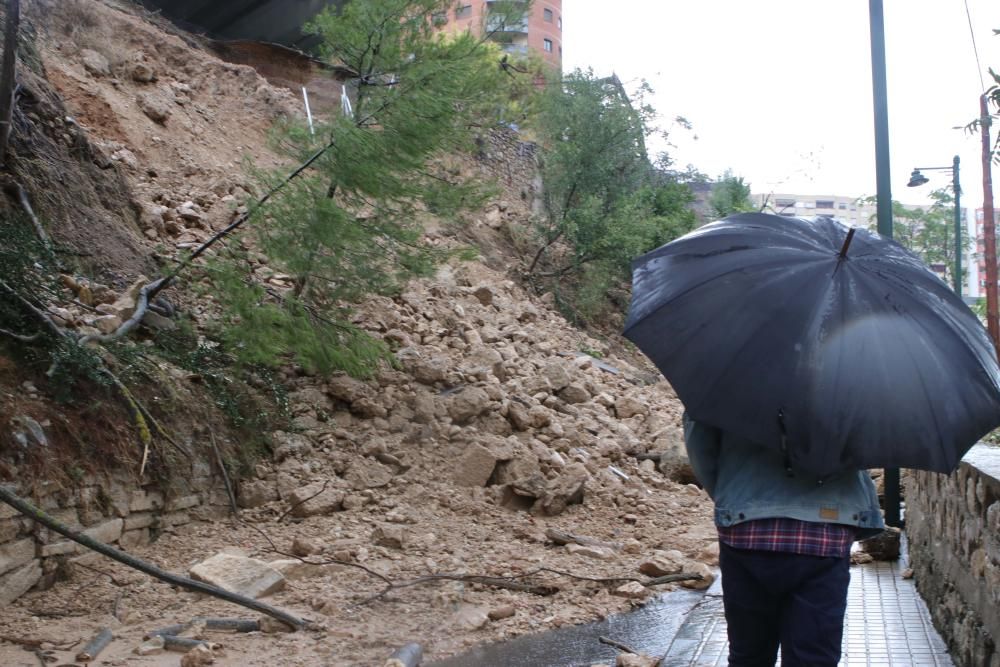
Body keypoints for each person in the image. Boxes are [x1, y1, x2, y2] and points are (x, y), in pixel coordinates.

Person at [683, 413, 885, 667]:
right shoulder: (851, 389)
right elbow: (868, 450)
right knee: (814, 658)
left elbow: (700, 441)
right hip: (824, 533)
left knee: (749, 654)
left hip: (747, 530)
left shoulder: (730, 382)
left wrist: (734, 498)